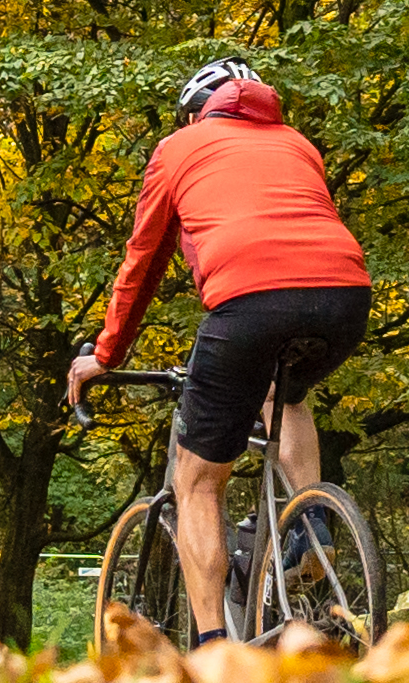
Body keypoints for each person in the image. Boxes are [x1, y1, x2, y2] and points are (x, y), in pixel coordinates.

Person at [69, 58, 373, 647]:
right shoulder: (298, 144)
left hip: (248, 302)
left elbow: (143, 261)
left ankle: (212, 649)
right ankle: (310, 523)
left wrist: (105, 354)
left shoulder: (179, 147)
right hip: (345, 296)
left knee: (198, 482)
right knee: (282, 393)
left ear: (194, 111)